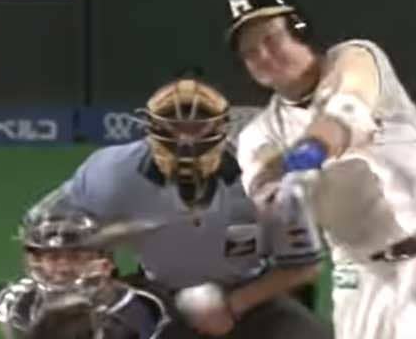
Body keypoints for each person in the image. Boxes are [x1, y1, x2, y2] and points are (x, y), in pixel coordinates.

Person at [225, 0, 416, 339]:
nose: (263, 55)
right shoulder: (259, 134)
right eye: (250, 52)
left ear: (300, 31)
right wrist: (274, 194)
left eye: (271, 39)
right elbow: (264, 190)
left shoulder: (357, 58)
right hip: (358, 280)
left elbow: (346, 111)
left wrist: (311, 152)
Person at [35, 77, 332, 338]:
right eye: (174, 128)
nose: (186, 142)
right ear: (150, 129)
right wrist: (92, 272)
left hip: (250, 294)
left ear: (222, 129)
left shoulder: (264, 175)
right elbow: (52, 225)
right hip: (156, 294)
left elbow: (303, 266)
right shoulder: (114, 172)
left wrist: (232, 306)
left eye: (197, 128)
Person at [0, 202, 170, 339]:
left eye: (76, 256)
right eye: (53, 257)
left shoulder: (135, 308)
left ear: (101, 259)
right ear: (34, 260)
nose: (64, 267)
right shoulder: (11, 303)